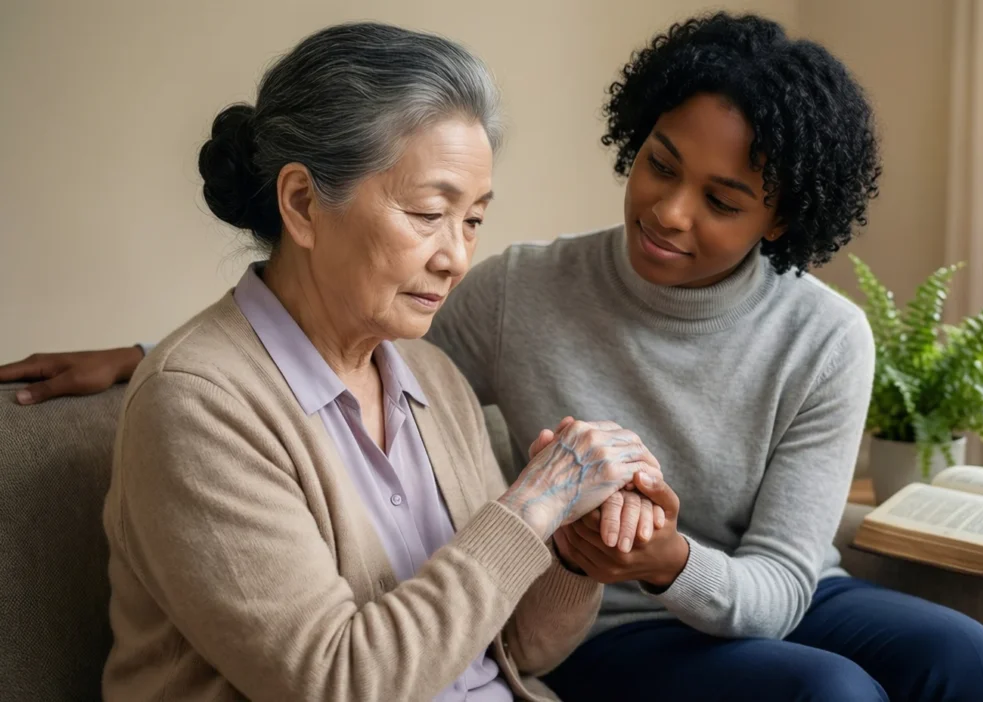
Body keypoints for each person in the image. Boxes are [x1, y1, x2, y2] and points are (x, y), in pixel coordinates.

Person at [3, 12, 983, 702]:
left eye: (474, 218)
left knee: (968, 659)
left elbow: (746, 591)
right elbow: (274, 360)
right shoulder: (500, 301)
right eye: (660, 166)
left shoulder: (428, 377)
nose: (670, 212)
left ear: (782, 218)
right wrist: (149, 357)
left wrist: (616, 552)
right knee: (832, 696)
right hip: (608, 633)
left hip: (715, 594)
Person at [55, 22, 671, 702]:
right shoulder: (196, 405)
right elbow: (338, 683)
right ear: (303, 203)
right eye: (428, 212)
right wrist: (531, 506)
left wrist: (575, 548)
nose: (457, 257)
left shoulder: (432, 376)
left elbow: (520, 649)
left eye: (472, 221)